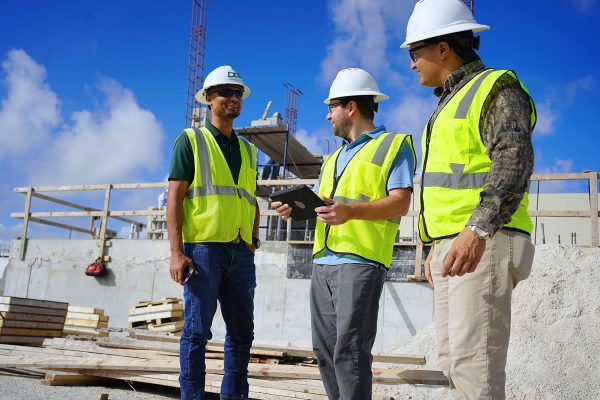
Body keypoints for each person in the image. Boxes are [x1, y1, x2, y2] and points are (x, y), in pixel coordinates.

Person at [400, 1, 536, 398]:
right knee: (456, 364)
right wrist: (436, 245)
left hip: (483, 243)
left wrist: (475, 231)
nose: (411, 64)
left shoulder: (496, 88)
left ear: (443, 48)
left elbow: (514, 158)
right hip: (455, 246)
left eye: (415, 52)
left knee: (475, 370)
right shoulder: (447, 103)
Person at [272, 68, 416, 400]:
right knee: (324, 351)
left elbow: (400, 202)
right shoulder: (334, 156)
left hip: (361, 261)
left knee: (349, 353)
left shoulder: (393, 146)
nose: (327, 115)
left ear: (351, 107)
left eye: (332, 106)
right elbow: (325, 205)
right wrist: (297, 209)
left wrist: (350, 211)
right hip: (323, 261)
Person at [167, 65, 261, 400]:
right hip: (204, 252)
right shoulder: (191, 140)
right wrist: (176, 252)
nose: (233, 99)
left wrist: (253, 239)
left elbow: (249, 197)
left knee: (241, 334)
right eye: (226, 93)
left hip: (240, 254)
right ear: (209, 99)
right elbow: (174, 198)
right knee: (195, 333)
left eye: (237, 94)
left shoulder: (249, 150)